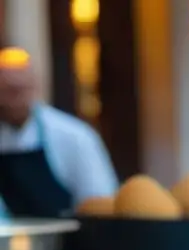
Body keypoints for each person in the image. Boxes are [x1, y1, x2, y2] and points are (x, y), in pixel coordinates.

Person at [0, 46, 118, 218]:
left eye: (18, 90)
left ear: (34, 87)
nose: (12, 101)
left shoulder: (74, 136)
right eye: (6, 92)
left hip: (68, 241)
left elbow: (100, 205)